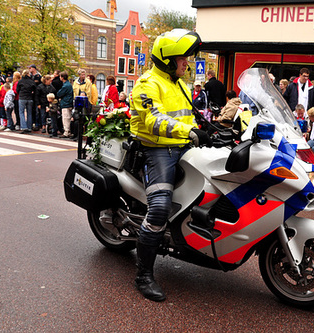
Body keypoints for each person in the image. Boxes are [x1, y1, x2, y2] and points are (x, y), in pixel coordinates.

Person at [129, 29, 208, 302]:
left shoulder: (179, 84)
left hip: (183, 147)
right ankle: (144, 276)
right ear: (167, 60)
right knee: (160, 207)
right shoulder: (147, 83)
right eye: (182, 58)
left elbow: (188, 119)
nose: (186, 63)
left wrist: (214, 128)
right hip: (157, 150)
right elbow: (153, 119)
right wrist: (190, 133)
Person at [16, 69, 36, 133]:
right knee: (29, 113)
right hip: (30, 98)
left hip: (22, 97)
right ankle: (29, 127)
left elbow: (17, 90)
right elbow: (35, 89)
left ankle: (24, 127)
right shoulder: (32, 81)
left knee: (21, 112)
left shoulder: (20, 81)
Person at [56, 71, 74, 138]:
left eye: (60, 76)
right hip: (68, 103)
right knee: (67, 117)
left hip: (65, 103)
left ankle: (66, 132)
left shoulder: (65, 85)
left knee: (66, 118)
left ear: (62, 77)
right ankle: (68, 131)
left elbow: (59, 94)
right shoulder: (68, 84)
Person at [28, 64, 42, 130]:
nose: (29, 69)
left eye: (30, 68)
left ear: (34, 68)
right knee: (32, 110)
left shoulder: (38, 76)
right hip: (31, 95)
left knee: (37, 110)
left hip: (37, 95)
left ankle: (37, 124)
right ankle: (32, 123)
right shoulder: (30, 76)